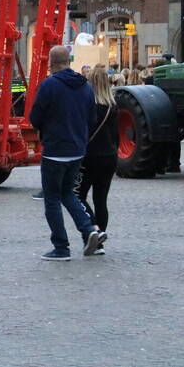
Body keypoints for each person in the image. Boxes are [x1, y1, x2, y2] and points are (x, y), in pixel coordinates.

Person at [28, 46, 105, 261]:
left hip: (54, 150)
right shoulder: (86, 86)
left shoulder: (49, 85)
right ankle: (89, 229)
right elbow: (92, 119)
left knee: (52, 198)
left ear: (51, 62)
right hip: (77, 149)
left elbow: (35, 118)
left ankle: (61, 247)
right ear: (69, 61)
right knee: (68, 194)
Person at [77, 66, 119, 255]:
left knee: (78, 196)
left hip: (89, 156)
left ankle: (93, 231)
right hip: (109, 157)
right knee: (101, 200)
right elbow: (116, 135)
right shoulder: (113, 106)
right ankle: (99, 244)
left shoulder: (87, 105)